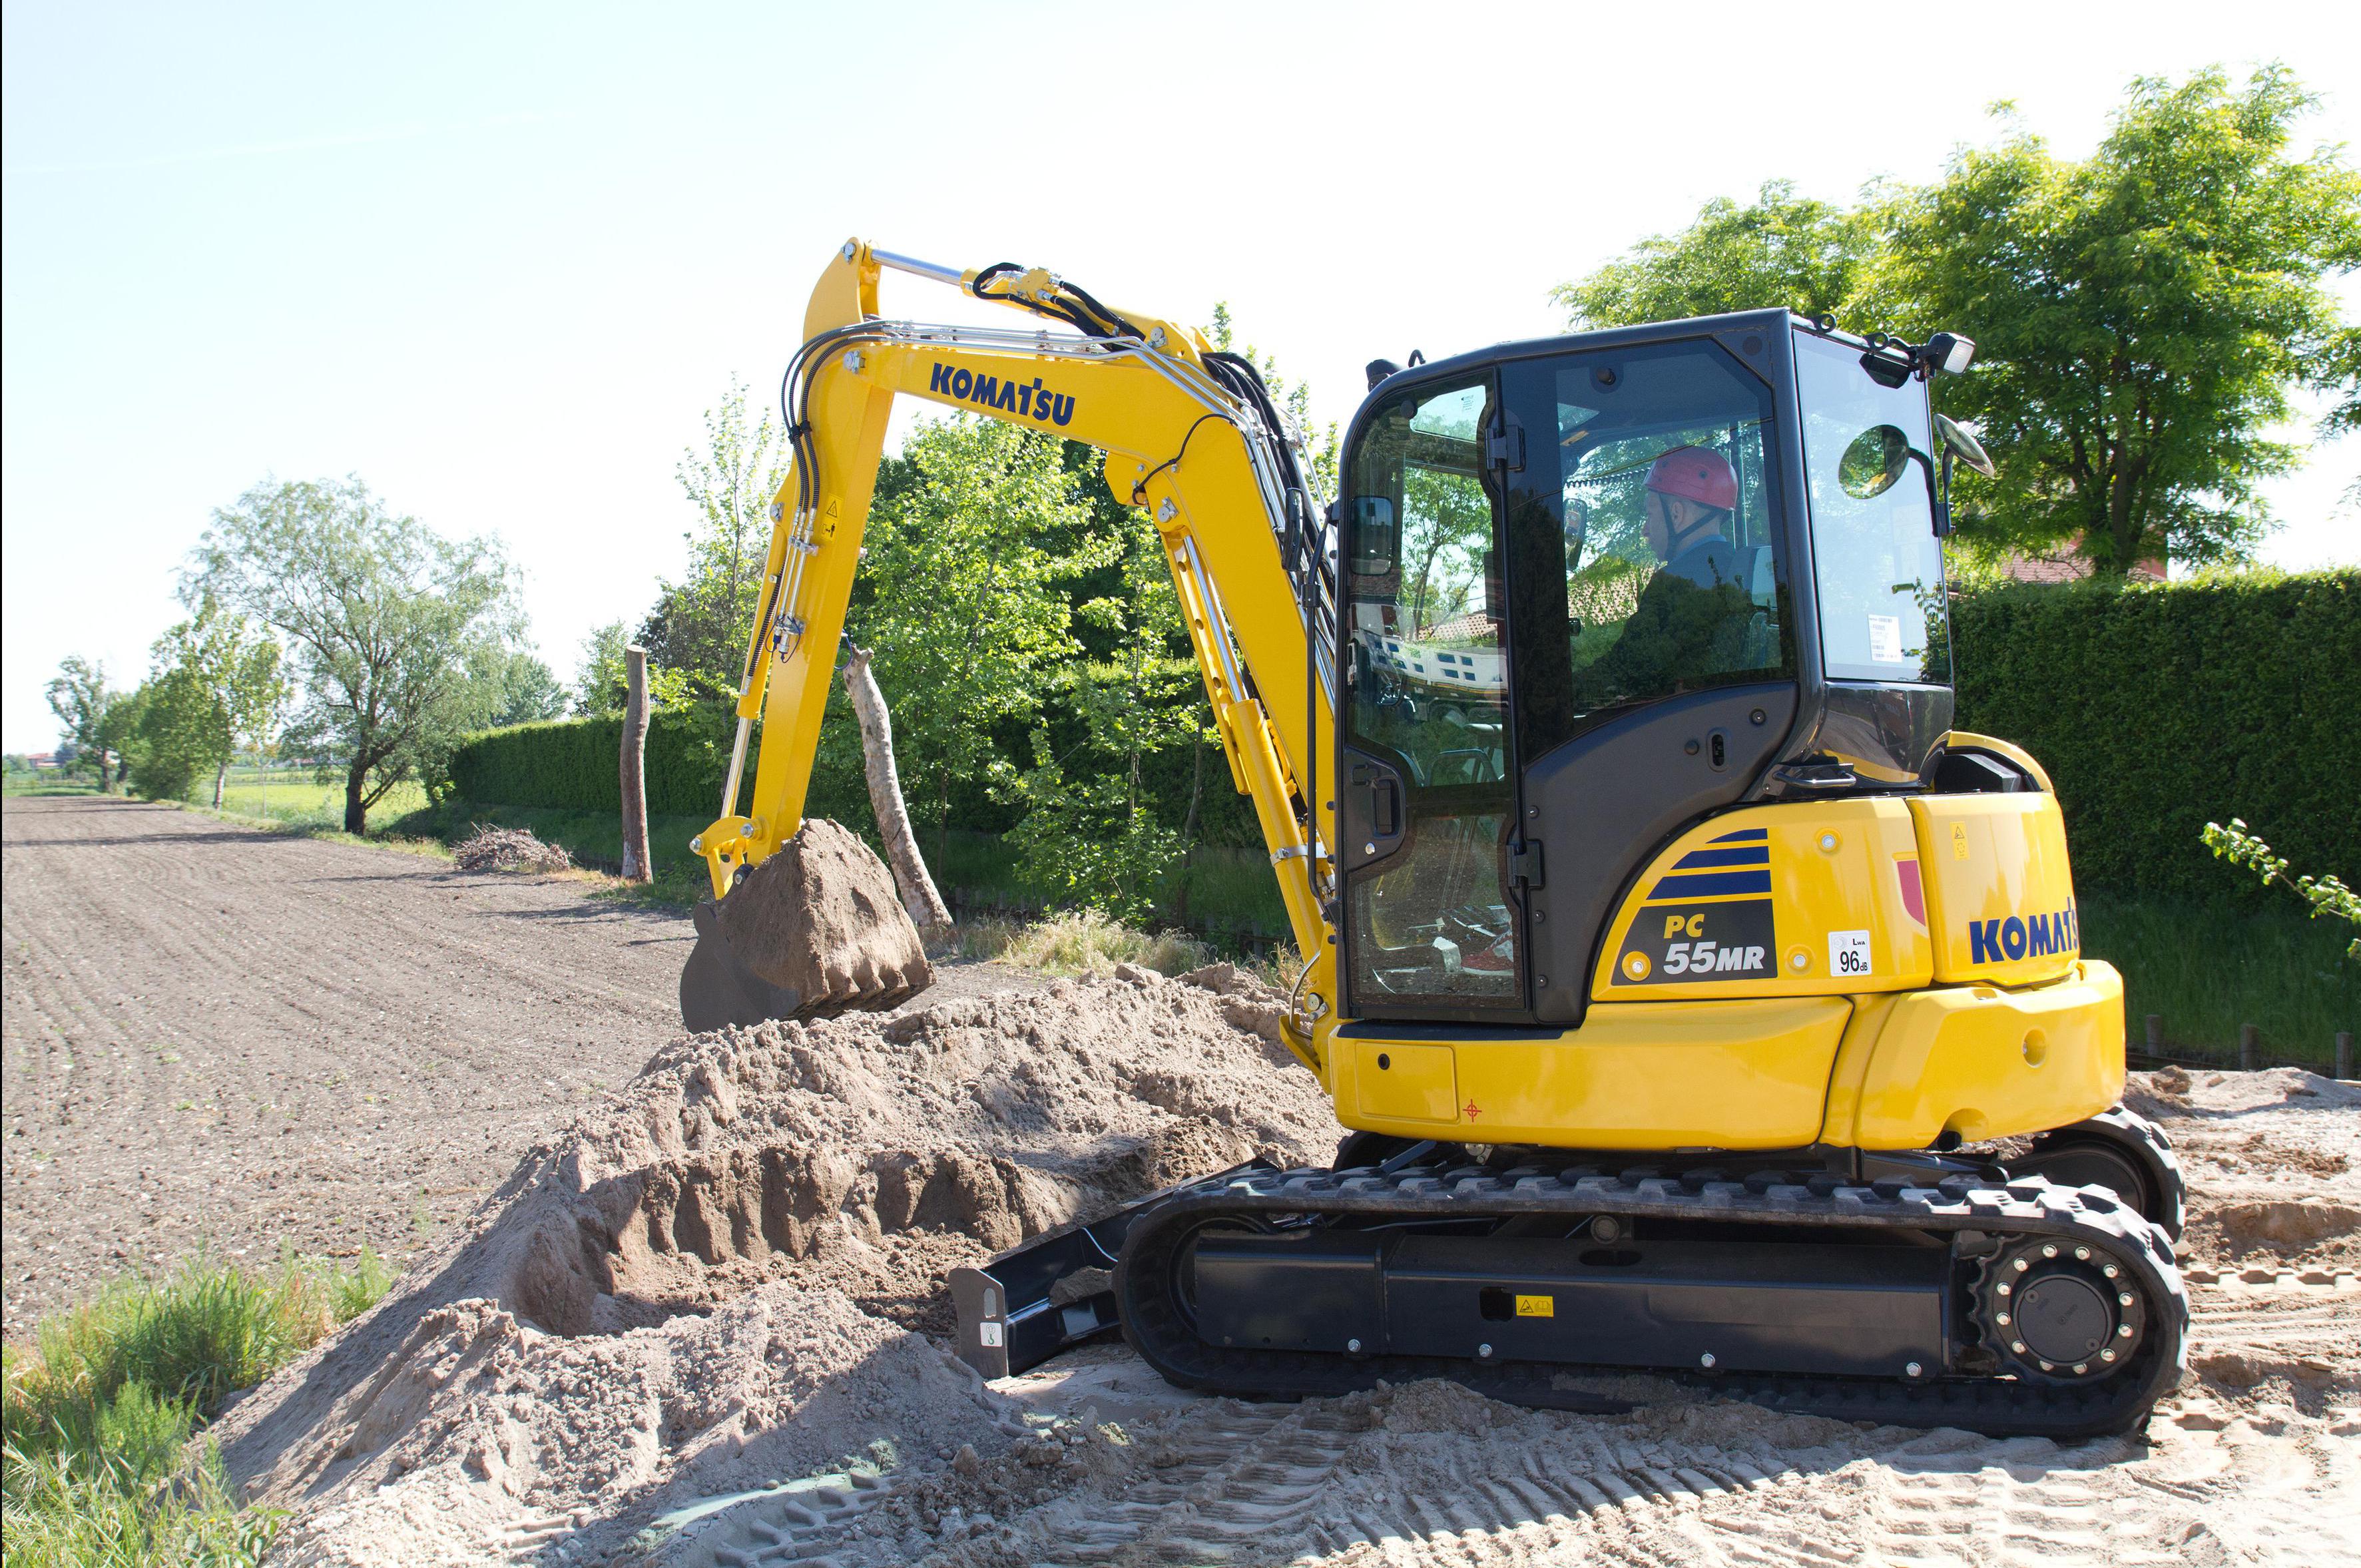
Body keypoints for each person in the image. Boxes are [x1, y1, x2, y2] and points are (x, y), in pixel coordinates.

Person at [1569, 445, 1754, 710]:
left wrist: (1554, 696)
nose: (1645, 530)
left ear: (1676, 515)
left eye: (1649, 514)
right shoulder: (1739, 574)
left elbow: (1624, 669)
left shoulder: (1675, 583)